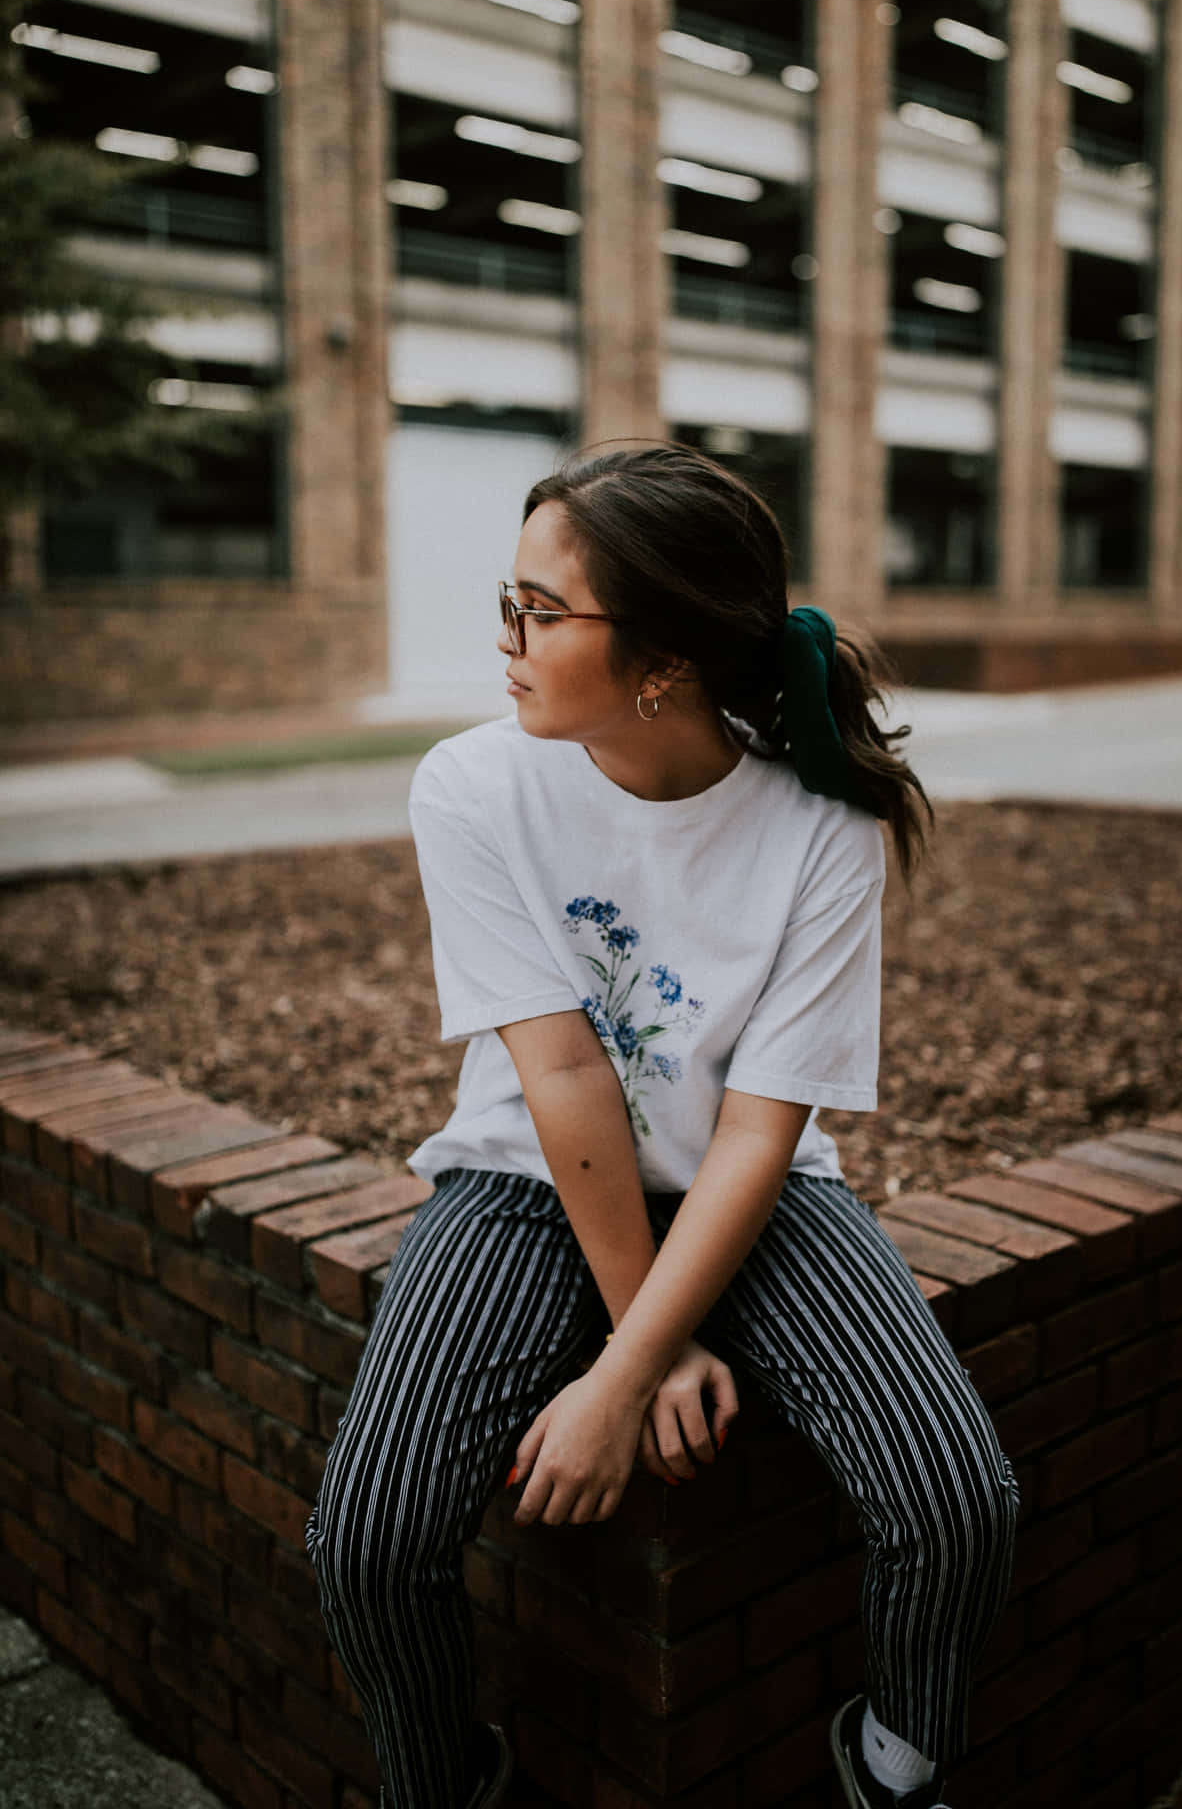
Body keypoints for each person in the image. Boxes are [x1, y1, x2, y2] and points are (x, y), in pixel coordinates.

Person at [306, 443, 1019, 1809]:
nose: (504, 642)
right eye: (505, 603)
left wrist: (623, 1375)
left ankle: (899, 1768)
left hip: (763, 1193)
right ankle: (439, 1785)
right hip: (521, 1181)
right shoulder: (475, 784)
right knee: (366, 1543)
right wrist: (657, 1350)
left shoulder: (822, 827)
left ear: (664, 662)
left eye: (540, 612)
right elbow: (564, 1077)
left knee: (955, 1500)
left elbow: (758, 1133)